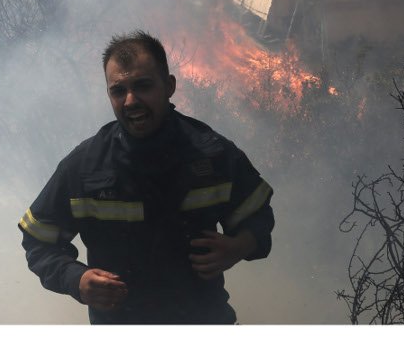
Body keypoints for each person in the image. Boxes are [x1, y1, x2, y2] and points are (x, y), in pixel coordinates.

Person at [18, 30, 274, 324]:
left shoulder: (213, 156)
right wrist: (76, 279)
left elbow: (259, 216)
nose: (130, 101)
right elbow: (38, 241)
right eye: (118, 91)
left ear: (169, 86)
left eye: (143, 86)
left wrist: (239, 246)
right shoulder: (84, 167)